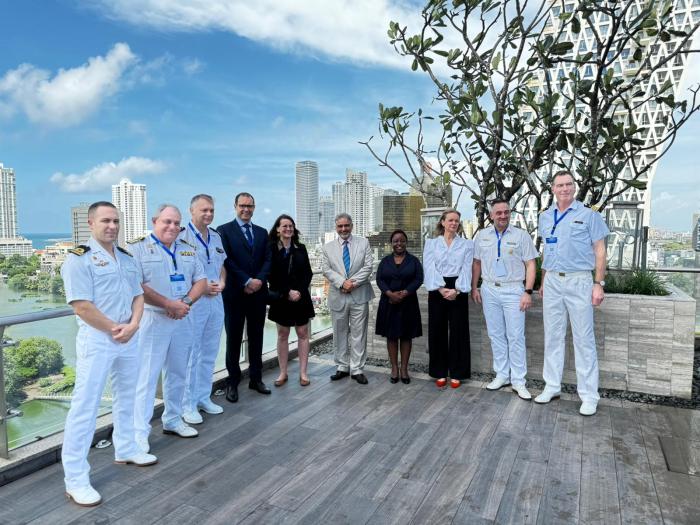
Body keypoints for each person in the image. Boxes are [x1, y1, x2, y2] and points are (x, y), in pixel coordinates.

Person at [61, 201, 157, 507]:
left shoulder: (127, 258)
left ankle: (126, 447)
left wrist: (134, 324)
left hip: (128, 336)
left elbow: (138, 295)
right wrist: (117, 328)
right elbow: (82, 306)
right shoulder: (79, 260)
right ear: (91, 223)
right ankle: (75, 479)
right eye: (105, 221)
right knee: (85, 407)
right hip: (98, 339)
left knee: (128, 396)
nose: (112, 226)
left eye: (116, 221)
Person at [130, 204, 207, 454]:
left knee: (178, 372)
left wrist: (183, 304)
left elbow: (201, 281)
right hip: (153, 319)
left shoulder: (188, 249)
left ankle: (173, 419)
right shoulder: (138, 248)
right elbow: (137, 285)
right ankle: (139, 433)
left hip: (182, 317)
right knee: (147, 377)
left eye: (177, 223)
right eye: (167, 222)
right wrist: (167, 304)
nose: (172, 227)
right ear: (155, 221)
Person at [534, 170, 610, 416]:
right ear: (553, 189)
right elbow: (548, 251)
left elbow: (600, 251)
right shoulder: (545, 217)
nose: (565, 188)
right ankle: (552, 386)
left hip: (579, 281)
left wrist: (598, 283)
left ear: (574, 188)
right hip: (554, 281)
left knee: (583, 339)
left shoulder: (589, 216)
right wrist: (544, 280)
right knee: (553, 336)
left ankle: (589, 396)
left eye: (569, 184)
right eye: (560, 185)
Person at [471, 199, 538, 400]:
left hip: (513, 290)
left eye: (506, 212)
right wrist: (475, 287)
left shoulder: (521, 235)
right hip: (489, 289)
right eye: (498, 212)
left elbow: (531, 264)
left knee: (516, 336)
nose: (502, 216)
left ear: (510, 213)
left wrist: (528, 291)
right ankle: (502, 375)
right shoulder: (482, 236)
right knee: (496, 334)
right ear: (491, 215)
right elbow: (476, 263)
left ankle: (519, 381)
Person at [217, 192, 272, 402]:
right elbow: (227, 260)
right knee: (234, 339)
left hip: (258, 294)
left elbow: (268, 259)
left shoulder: (261, 232)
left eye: (250, 206)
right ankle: (233, 382)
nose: (246, 209)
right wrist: (246, 281)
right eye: (242, 206)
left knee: (257, 337)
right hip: (235, 295)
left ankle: (256, 378)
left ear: (254, 207)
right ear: (235, 206)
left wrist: (257, 280)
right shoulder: (224, 231)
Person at [179, 195, 227, 425]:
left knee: (210, 351)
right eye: (203, 210)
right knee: (192, 353)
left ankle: (203, 397)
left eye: (211, 210)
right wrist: (199, 287)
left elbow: (222, 267)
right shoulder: (181, 237)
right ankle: (187, 404)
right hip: (195, 301)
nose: (208, 214)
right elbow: (176, 271)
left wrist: (222, 282)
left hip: (216, 300)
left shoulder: (216, 236)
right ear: (191, 211)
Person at [322, 213, 375, 385]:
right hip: (338, 295)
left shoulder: (363, 242)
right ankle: (342, 367)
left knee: (359, 334)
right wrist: (342, 283)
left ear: (352, 226)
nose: (343, 229)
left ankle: (357, 369)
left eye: (346, 225)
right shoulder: (327, 247)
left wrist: (352, 283)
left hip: (359, 294)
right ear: (336, 227)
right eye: (340, 226)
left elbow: (368, 266)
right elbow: (326, 269)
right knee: (339, 333)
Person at [423, 208, 473, 388]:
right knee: (437, 330)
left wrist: (457, 290)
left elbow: (466, 268)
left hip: (458, 287)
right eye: (450, 220)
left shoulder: (467, 245)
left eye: (456, 221)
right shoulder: (431, 244)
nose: (453, 223)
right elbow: (429, 267)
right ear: (442, 222)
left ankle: (458, 372)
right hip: (437, 289)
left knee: (459, 331)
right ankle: (439, 371)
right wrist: (440, 288)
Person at [267, 215, 315, 386]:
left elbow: (308, 273)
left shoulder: (300, 248)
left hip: (300, 298)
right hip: (281, 297)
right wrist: (287, 292)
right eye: (284, 226)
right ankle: (283, 372)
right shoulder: (271, 248)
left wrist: (299, 291)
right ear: (278, 229)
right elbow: (271, 275)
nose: (288, 229)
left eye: (291, 226)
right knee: (282, 334)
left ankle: (303, 373)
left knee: (303, 334)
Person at [375, 230, 424, 384]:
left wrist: (404, 293)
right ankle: (394, 368)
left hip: (408, 303)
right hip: (388, 303)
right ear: (391, 243)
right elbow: (379, 279)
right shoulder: (385, 261)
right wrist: (390, 294)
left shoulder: (414, 261)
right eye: (396, 241)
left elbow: (419, 278)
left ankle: (404, 369)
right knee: (391, 336)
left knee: (406, 336)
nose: (399, 244)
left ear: (406, 242)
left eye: (402, 241)